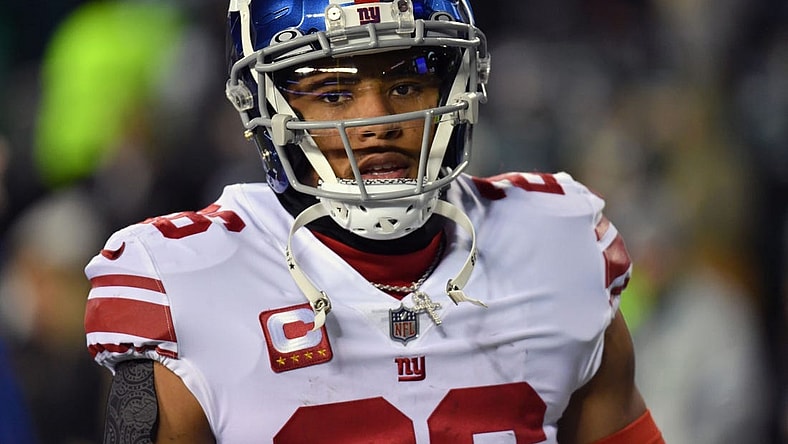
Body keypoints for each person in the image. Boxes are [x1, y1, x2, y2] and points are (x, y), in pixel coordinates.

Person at [84, 0, 664, 442]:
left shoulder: (559, 243)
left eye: (406, 85)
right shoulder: (184, 282)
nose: (378, 121)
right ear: (265, 106)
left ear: (460, 87)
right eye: (334, 93)